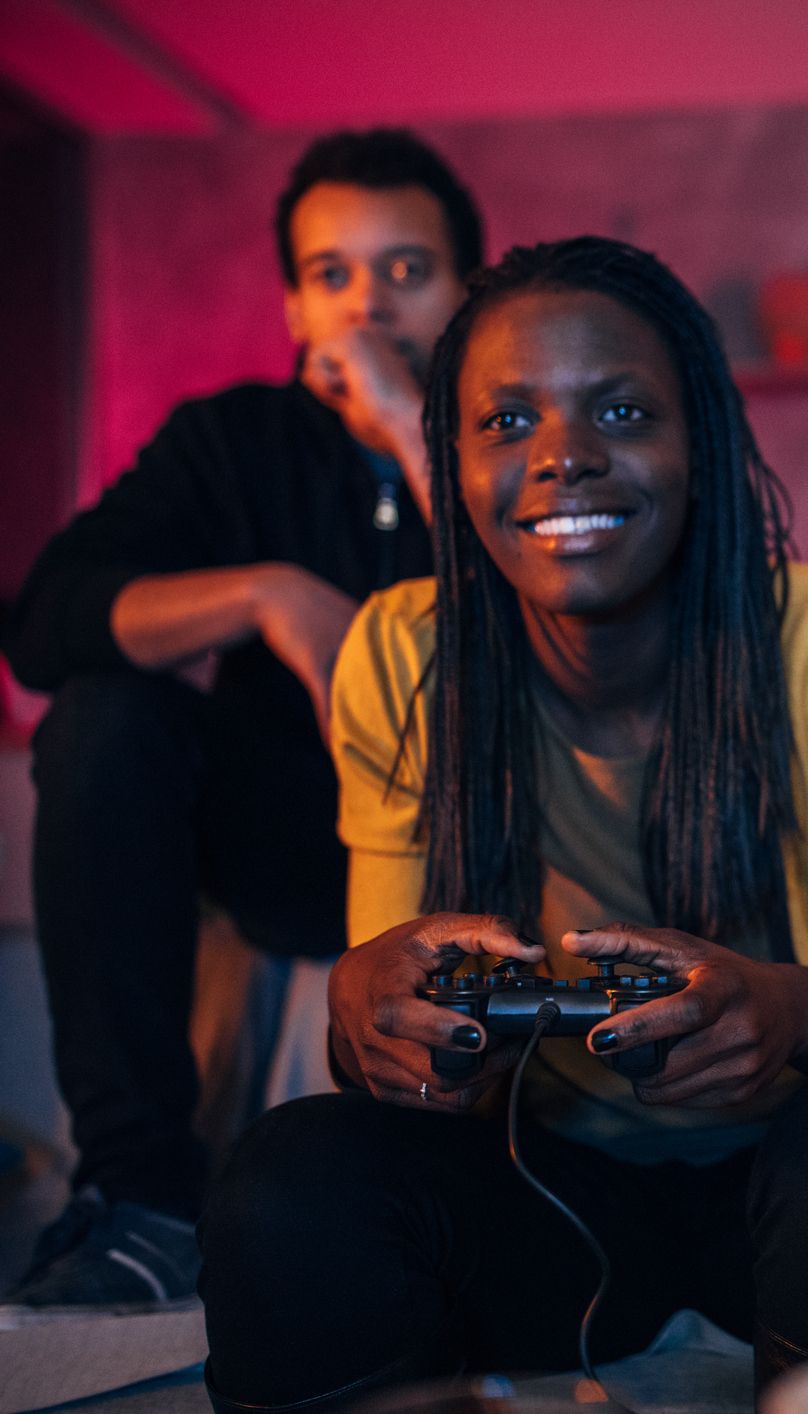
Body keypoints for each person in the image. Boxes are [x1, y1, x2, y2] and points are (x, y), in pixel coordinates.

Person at [195, 238, 808, 1410]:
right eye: (507, 421)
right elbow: (400, 1075)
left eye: (622, 411)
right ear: (452, 458)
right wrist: (371, 1010)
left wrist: (782, 1010)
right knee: (291, 1173)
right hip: (552, 1200)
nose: (564, 458)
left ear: (700, 447)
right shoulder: (402, 651)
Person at [1, 128, 482, 1311]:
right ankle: (140, 1198)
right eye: (334, 276)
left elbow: (552, 622)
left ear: (469, 288)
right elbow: (44, 621)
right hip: (274, 845)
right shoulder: (230, 442)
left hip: (474, 846)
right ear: (293, 303)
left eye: (407, 271)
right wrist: (268, 591)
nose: (367, 303)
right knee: (103, 716)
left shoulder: (509, 439)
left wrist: (408, 418)